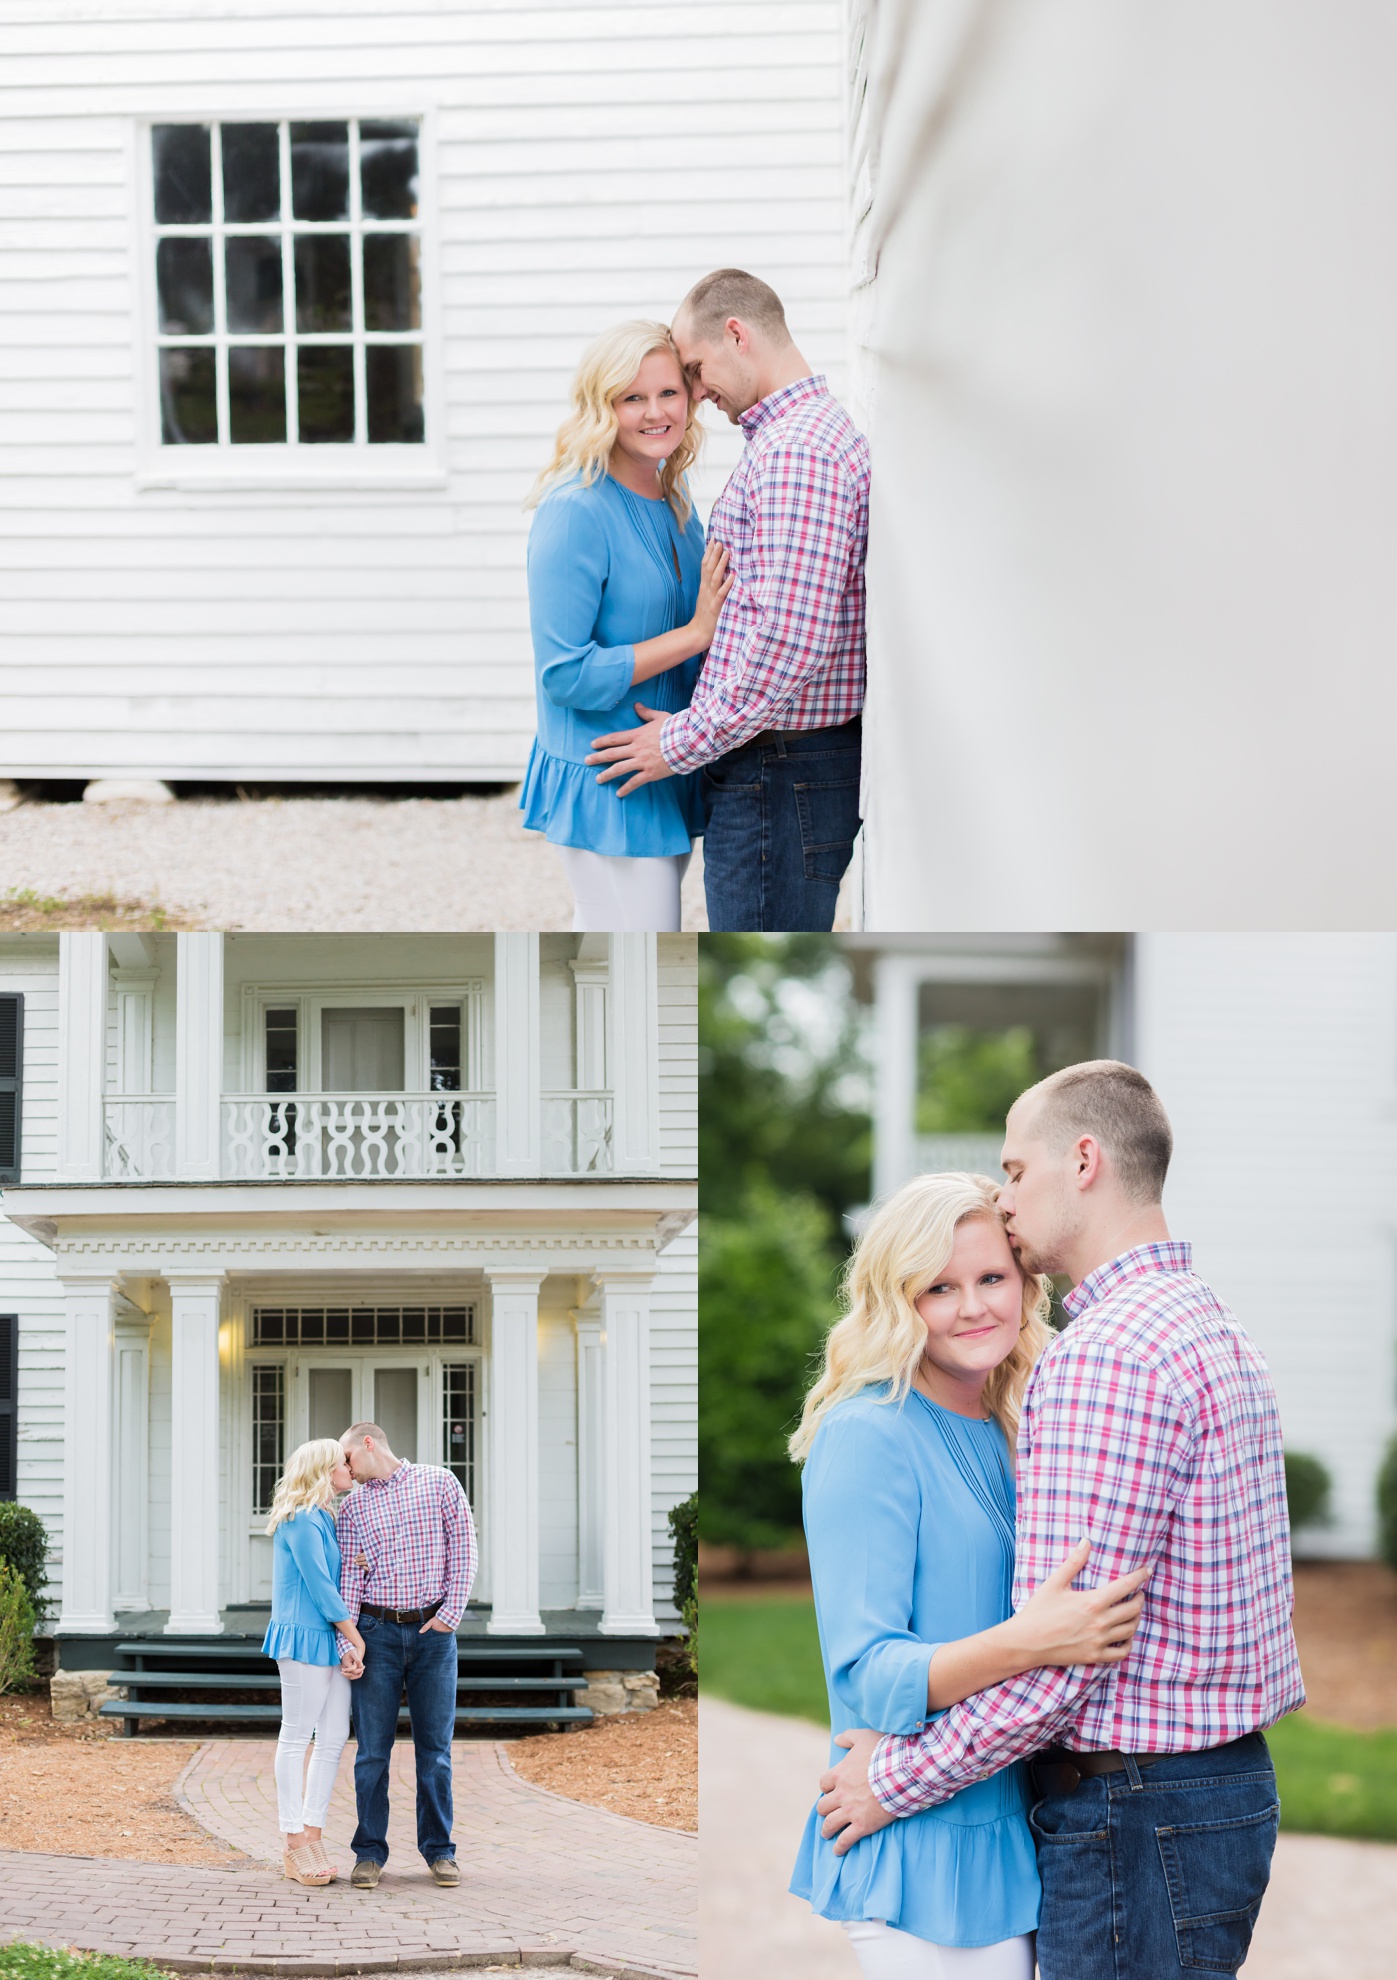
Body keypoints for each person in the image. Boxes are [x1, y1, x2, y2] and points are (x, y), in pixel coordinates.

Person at [816, 1062, 1306, 1980]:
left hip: (1137, 1805)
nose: (1006, 1198)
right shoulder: (1209, 1324)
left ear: (1083, 1160)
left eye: (1014, 1169)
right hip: (1207, 1792)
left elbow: (1066, 1662)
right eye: (936, 1286)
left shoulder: (1104, 1359)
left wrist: (888, 1781)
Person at [789, 1170, 1149, 1979]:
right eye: (938, 1288)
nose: (973, 1306)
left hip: (1016, 1831)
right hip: (921, 1851)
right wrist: (1030, 1642)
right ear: (897, 1300)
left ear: (1026, 1285)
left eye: (991, 1278)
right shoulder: (868, 1433)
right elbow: (867, 1674)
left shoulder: (1016, 1424)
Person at [586, 269, 870, 933]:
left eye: (693, 368)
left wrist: (678, 743)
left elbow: (787, 644)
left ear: (736, 334)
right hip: (779, 762)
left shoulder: (797, 453)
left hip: (779, 765)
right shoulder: (793, 439)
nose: (692, 392)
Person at [520, 319, 733, 931]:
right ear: (601, 406)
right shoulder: (574, 509)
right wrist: (695, 635)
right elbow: (564, 674)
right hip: (608, 774)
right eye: (632, 397)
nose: (655, 413)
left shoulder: (675, 495)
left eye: (668, 393)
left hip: (664, 761)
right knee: (641, 967)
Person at [335, 1421, 478, 1889]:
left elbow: (464, 1550)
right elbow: (350, 1583)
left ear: (368, 1444)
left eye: (348, 1460)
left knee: (434, 1751)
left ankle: (439, 1851)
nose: (345, 1471)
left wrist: (450, 1615)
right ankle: (369, 1853)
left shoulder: (439, 1482)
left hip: (433, 1634)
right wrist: (349, 1641)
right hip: (376, 1634)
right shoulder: (352, 1508)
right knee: (372, 1752)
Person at [261, 1437, 366, 1887]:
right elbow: (321, 1587)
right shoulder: (300, 1520)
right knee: (297, 1737)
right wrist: (355, 1638)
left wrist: (357, 1563)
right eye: (343, 1463)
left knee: (334, 1738)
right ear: (324, 1470)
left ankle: (314, 1830)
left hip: (327, 1639)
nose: (351, 1468)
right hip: (303, 1638)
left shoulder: (325, 1517)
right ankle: (293, 1840)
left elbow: (335, 1576)